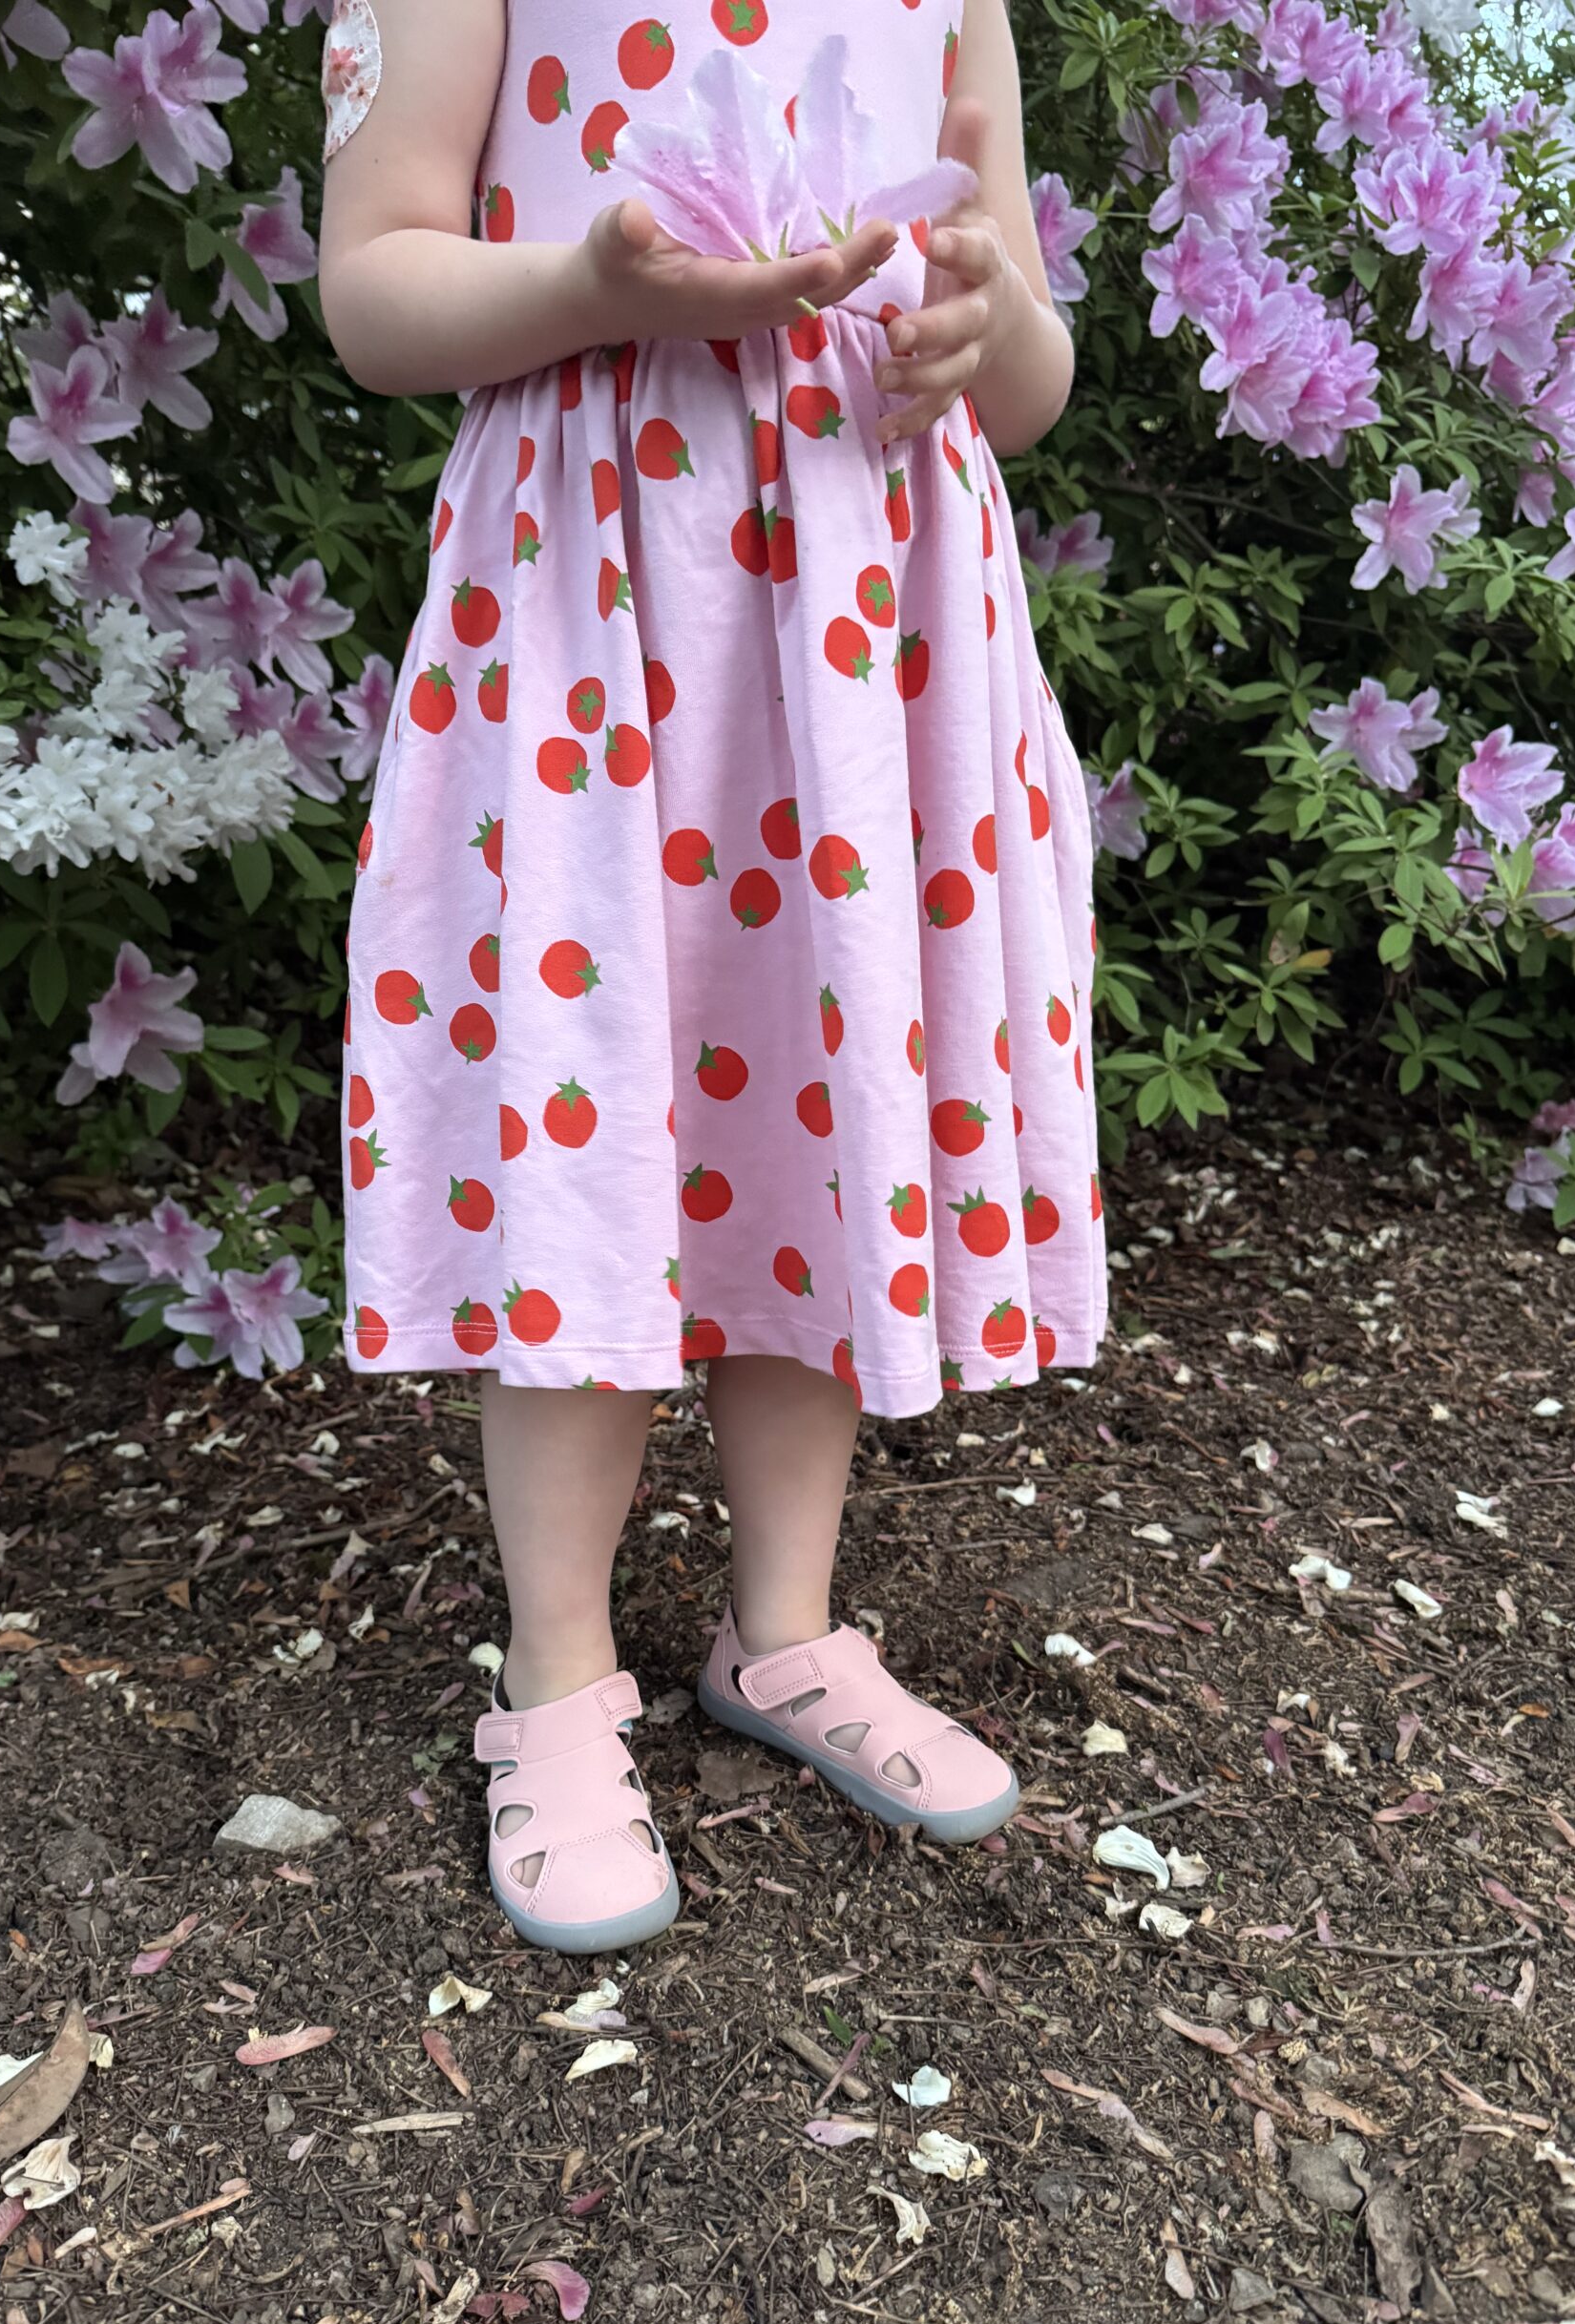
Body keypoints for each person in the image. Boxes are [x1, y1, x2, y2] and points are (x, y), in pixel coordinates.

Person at [319, 0, 1106, 1954]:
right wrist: (591, 278)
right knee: (584, 1101)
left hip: (865, 617)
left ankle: (786, 1626)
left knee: (809, 1093)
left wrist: (979, 317)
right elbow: (378, 288)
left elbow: (1029, 378)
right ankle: (559, 1669)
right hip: (602, 589)